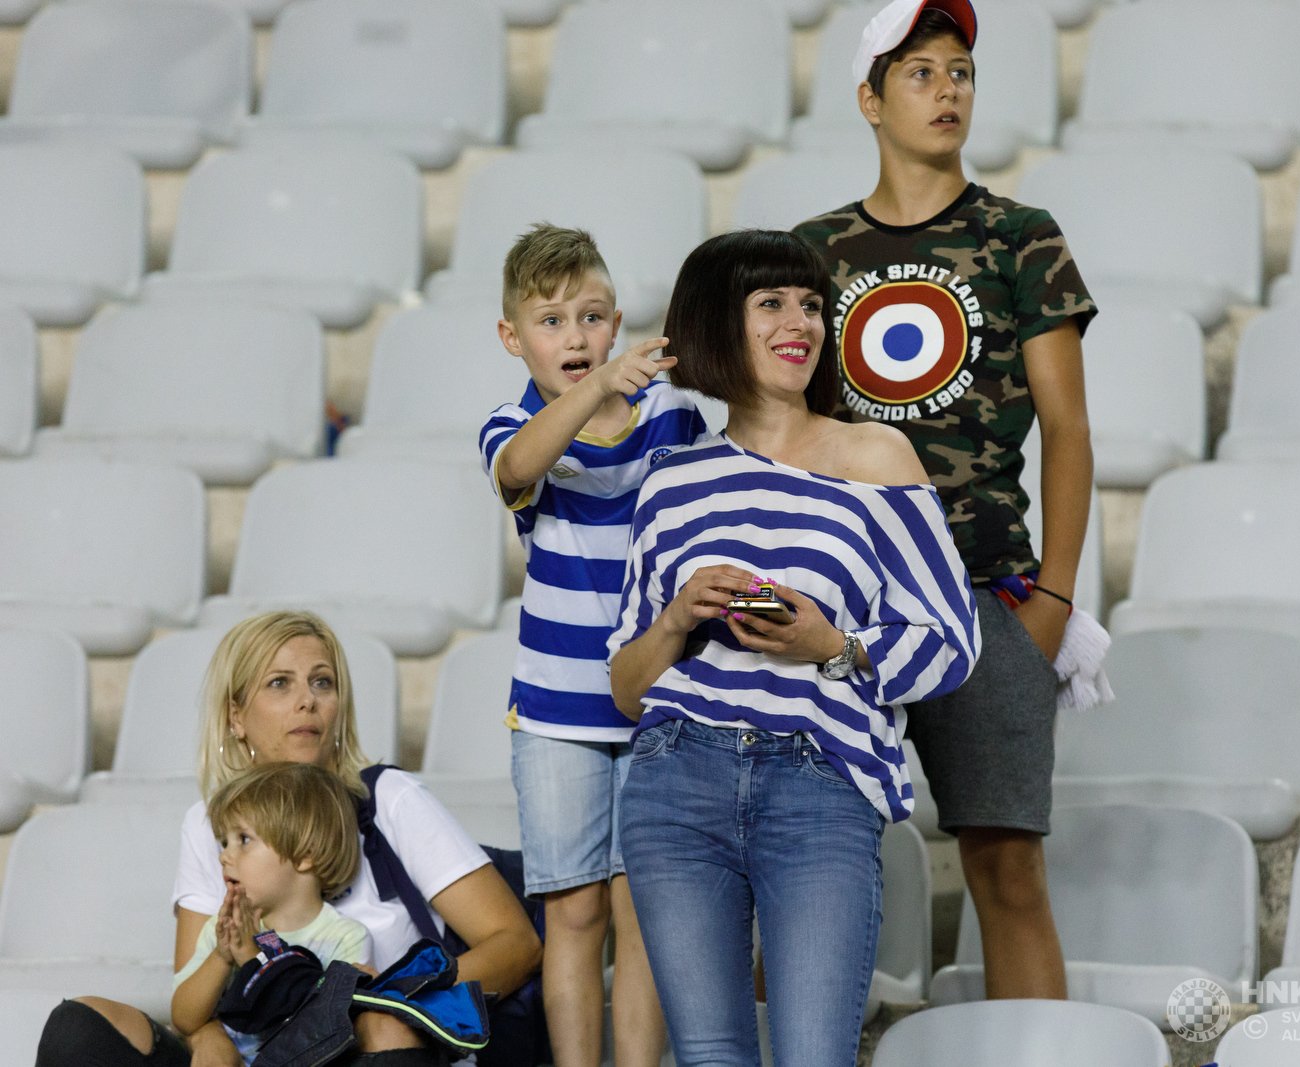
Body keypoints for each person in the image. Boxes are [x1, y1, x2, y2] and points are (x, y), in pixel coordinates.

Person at [608, 229, 980, 1067]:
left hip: (819, 784)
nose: (800, 322)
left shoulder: (875, 456)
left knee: (815, 1054)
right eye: (770, 302)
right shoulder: (671, 481)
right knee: (710, 1057)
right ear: (716, 322)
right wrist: (675, 619)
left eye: (811, 304)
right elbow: (627, 688)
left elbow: (953, 641)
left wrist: (830, 643)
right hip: (674, 779)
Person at [792, 0, 1099, 1001]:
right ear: (869, 99)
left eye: (959, 70)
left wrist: (1051, 598)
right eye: (918, 72)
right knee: (794, 861)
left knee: (1007, 865)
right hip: (839, 598)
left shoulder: (1020, 237)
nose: (946, 90)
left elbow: (1067, 429)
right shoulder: (811, 253)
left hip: (981, 593)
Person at [36, 611, 542, 1067]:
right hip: (259, 1055)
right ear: (236, 716)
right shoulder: (206, 823)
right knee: (81, 1027)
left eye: (323, 682)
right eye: (280, 683)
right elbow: (196, 1002)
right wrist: (209, 1040)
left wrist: (383, 1001)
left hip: (369, 1047)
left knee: (379, 1030)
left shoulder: (389, 798)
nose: (308, 700)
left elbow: (515, 946)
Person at [479, 223, 704, 1067]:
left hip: (659, 700)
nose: (574, 336)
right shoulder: (513, 422)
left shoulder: (671, 412)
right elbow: (517, 469)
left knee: (644, 911)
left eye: (592, 315)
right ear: (512, 338)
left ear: (617, 321)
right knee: (572, 912)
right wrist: (599, 385)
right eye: (550, 320)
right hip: (557, 711)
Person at [171, 762, 373, 1062]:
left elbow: (327, 1029)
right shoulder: (225, 928)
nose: (225, 855)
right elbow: (184, 1019)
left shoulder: (345, 938)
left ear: (306, 854)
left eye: (244, 839)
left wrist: (253, 958)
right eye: (224, 842)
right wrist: (221, 957)